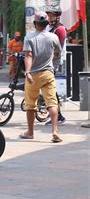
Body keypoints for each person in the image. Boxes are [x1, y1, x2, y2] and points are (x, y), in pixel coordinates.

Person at [19, 11, 62, 143]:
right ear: (47, 23)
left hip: (33, 75)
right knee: (52, 102)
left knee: (31, 105)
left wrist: (27, 72)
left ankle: (30, 132)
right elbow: (58, 53)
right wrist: (52, 62)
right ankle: (55, 131)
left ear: (34, 23)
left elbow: (28, 56)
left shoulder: (29, 38)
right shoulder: (53, 37)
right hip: (48, 74)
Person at [45, 5, 67, 125]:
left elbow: (57, 50)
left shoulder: (60, 29)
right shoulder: (49, 27)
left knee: (50, 88)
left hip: (53, 61)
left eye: (51, 15)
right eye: (48, 15)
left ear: (57, 17)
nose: (49, 17)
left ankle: (58, 115)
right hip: (46, 60)